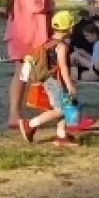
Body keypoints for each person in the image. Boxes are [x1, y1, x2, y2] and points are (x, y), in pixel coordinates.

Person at [4, 0, 53, 130]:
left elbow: (47, 4)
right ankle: (14, 114)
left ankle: (16, 114)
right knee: (22, 73)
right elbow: (38, 5)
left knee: (26, 73)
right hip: (25, 35)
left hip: (31, 34)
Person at [17, 10, 80, 147]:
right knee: (61, 109)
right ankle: (30, 124)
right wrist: (70, 85)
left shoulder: (48, 43)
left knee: (63, 105)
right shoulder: (61, 46)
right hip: (56, 81)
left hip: (49, 80)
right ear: (69, 28)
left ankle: (61, 136)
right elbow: (62, 67)